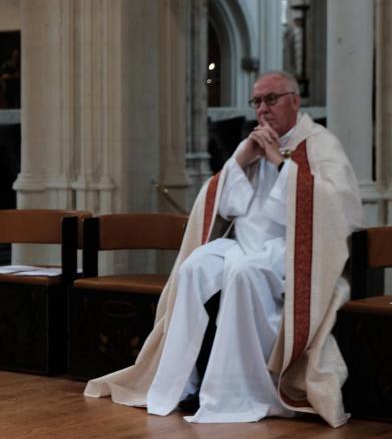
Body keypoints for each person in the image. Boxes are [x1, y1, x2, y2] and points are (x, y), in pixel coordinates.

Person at [85, 71, 363, 428]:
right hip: (242, 243)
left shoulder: (321, 144)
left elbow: (334, 207)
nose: (263, 109)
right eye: (257, 102)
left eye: (271, 99)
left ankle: (239, 392)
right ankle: (181, 384)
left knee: (243, 274)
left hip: (289, 249)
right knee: (192, 268)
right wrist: (240, 161)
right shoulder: (254, 141)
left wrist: (280, 162)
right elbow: (226, 205)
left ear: (295, 100)